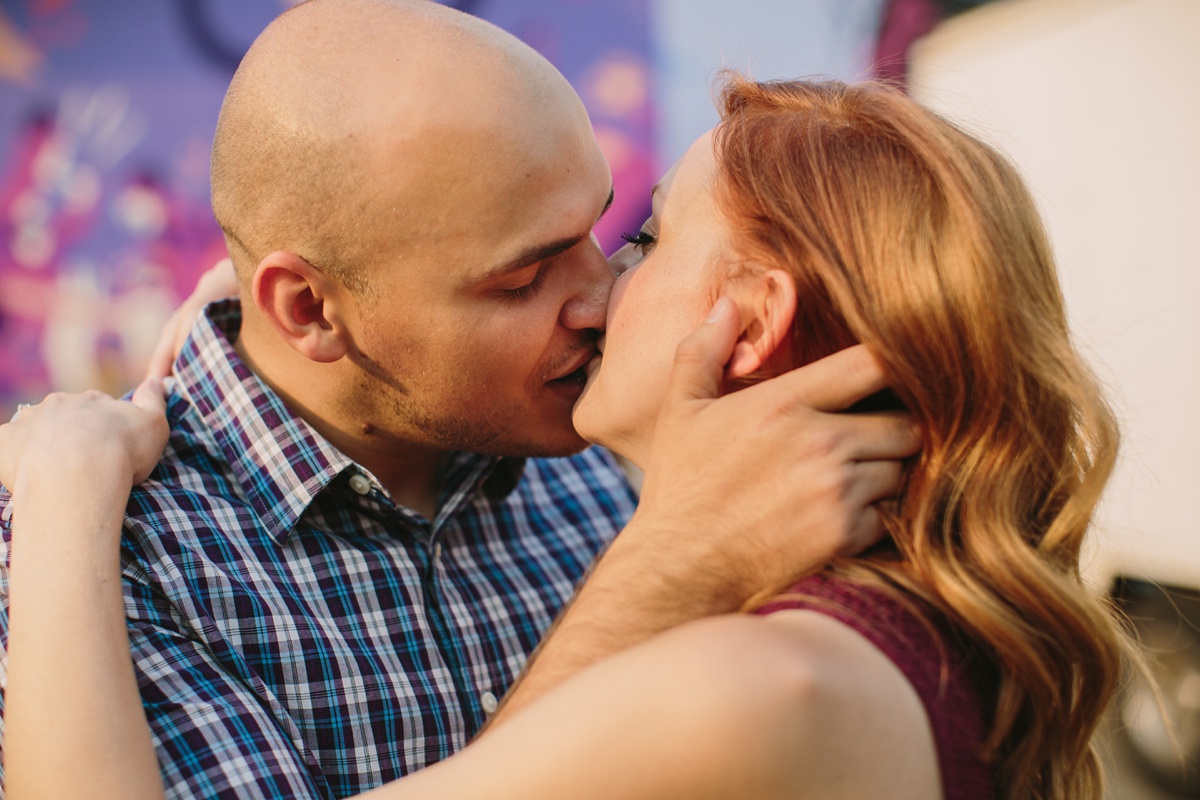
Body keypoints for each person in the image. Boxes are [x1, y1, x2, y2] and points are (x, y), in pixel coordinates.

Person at [0, 74, 1128, 800]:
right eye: (524, 273)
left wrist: (673, 560)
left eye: (626, 233)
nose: (594, 295)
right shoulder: (125, 558)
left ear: (754, 323)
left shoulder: (751, 682)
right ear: (309, 310)